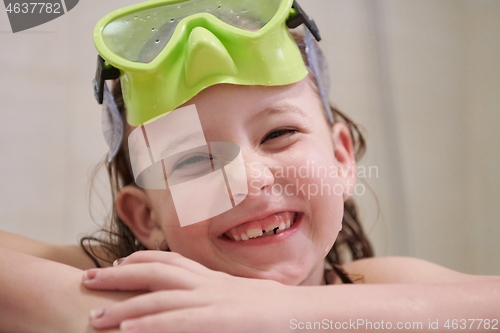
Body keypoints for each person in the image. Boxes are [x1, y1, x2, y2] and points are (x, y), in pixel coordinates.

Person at [0, 1, 498, 332]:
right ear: (146, 218)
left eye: (279, 134)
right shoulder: (145, 301)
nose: (248, 179)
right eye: (194, 159)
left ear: (342, 159)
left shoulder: (379, 287)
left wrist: (285, 315)